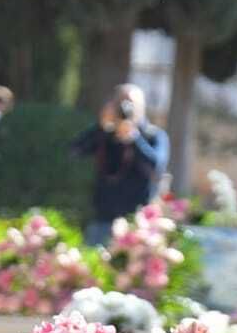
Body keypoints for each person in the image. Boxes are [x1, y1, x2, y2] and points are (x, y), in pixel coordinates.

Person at [72, 83, 169, 245]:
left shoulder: (153, 135)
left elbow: (156, 168)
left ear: (142, 107)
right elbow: (75, 151)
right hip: (102, 219)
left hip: (137, 223)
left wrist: (133, 138)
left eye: (131, 103)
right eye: (121, 103)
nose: (125, 108)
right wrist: (101, 128)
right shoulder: (105, 133)